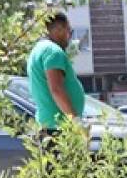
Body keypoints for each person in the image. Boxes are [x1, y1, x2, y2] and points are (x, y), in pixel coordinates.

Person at [26, 11, 86, 140]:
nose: (69, 36)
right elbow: (56, 90)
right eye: (69, 30)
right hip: (58, 129)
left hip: (49, 126)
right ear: (59, 29)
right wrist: (76, 121)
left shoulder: (39, 49)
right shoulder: (53, 51)